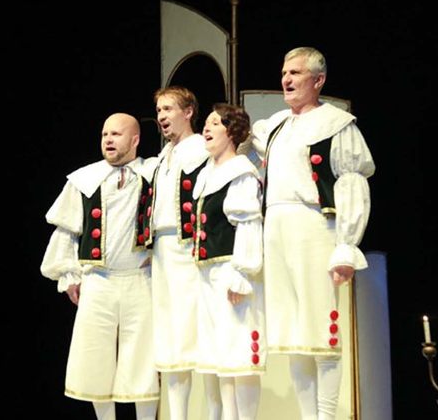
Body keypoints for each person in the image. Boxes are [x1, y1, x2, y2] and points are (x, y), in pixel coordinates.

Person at [249, 47, 376, 420]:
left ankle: (326, 416)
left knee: (321, 332)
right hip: (276, 227)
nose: (286, 80)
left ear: (318, 80)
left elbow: (352, 183)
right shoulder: (276, 125)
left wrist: (346, 246)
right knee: (293, 334)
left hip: (314, 228)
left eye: (296, 73)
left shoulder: (337, 124)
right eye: (284, 73)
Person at [40, 113, 160, 420]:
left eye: (116, 134)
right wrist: (68, 275)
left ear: (135, 140)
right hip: (98, 280)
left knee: (143, 361)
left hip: (140, 278)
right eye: (105, 134)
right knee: (95, 361)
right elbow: (66, 229)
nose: (108, 139)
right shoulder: (85, 179)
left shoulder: (153, 172)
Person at [143, 86, 221, 420]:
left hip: (191, 250)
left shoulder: (202, 150)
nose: (161, 116)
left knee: (200, 334)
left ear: (188, 112)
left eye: (168, 109)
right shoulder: (163, 157)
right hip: (162, 251)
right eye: (159, 110)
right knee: (170, 338)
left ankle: (216, 414)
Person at [192, 104, 266, 420]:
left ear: (232, 131)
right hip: (208, 275)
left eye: (215, 123)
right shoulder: (209, 174)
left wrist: (242, 273)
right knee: (220, 356)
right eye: (206, 123)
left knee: (238, 356)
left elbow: (248, 225)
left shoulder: (241, 173)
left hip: (230, 272)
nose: (206, 129)